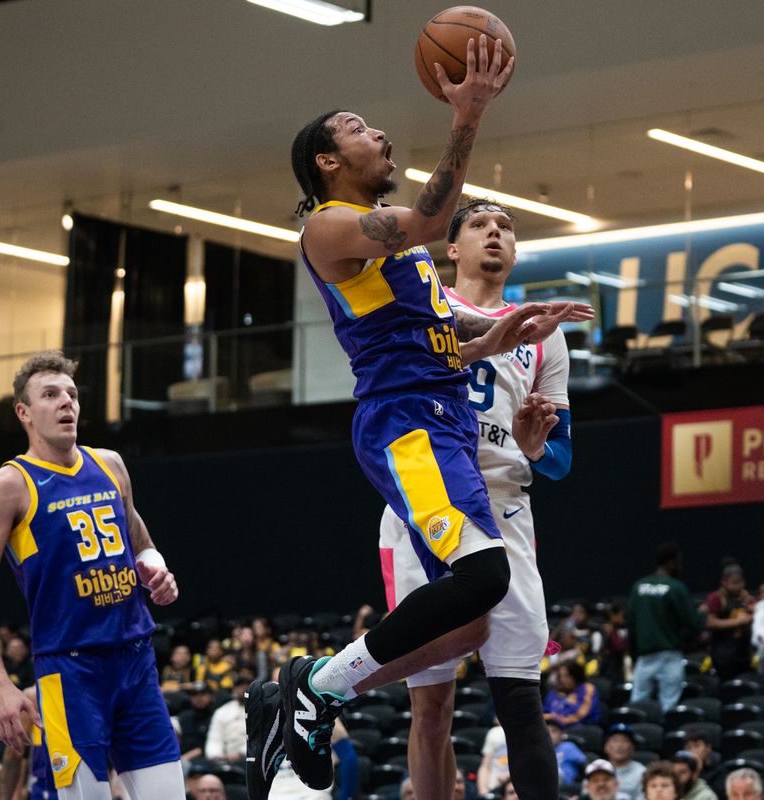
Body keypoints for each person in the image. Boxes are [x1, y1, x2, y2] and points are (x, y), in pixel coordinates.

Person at [248, 34, 589, 800]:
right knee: (484, 577)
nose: (381, 134)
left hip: (439, 416)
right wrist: (467, 113)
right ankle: (313, 690)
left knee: (468, 621)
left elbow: (443, 339)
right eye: (362, 129)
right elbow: (436, 213)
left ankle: (312, 690)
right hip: (405, 421)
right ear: (328, 162)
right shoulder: (330, 227)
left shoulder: (399, 261)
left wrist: (503, 335)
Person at [377, 198, 574, 800]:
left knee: (519, 695)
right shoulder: (423, 303)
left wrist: (536, 447)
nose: (496, 234)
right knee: (431, 703)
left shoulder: (545, 334)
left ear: (514, 253)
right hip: (427, 503)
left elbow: (563, 461)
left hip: (506, 504)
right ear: (452, 249)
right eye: (481, 226)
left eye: (507, 228)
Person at [0, 350, 184, 799]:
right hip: (69, 670)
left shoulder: (110, 464)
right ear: (23, 412)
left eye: (72, 394)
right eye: (50, 394)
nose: (67, 403)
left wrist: (157, 567)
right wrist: (0, 687)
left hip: (135, 660)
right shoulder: (10, 484)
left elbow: (139, 538)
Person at [627, 543, 706, 712]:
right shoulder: (676, 587)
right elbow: (693, 623)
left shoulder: (639, 586)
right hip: (669, 655)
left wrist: (634, 656)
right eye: (679, 562)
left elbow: (631, 625)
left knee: (637, 706)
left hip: (644, 657)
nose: (680, 566)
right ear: (670, 563)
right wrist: (703, 614)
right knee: (669, 706)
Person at [704, 563, 755, 681]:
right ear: (724, 582)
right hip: (724, 656)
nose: (739, 586)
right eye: (735, 583)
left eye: (741, 582)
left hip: (743, 653)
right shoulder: (716, 598)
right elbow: (710, 622)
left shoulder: (744, 596)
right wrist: (737, 622)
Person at [205, 675, 249, 764]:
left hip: (251, 757)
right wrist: (216, 755)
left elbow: (261, 739)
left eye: (246, 686)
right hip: (226, 759)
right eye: (239, 686)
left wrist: (241, 753)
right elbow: (215, 738)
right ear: (234, 689)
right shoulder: (222, 712)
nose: (243, 689)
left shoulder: (261, 710)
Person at [545, 663, 602, 728]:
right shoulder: (554, 692)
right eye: (560, 676)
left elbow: (581, 715)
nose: (562, 679)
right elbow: (545, 712)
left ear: (576, 675)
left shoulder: (588, 689)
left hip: (583, 726)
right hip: (554, 726)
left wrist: (557, 720)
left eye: (567, 676)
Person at [603, 725, 646, 799]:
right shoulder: (597, 770)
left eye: (624, 741)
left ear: (632, 747)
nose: (619, 745)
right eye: (615, 740)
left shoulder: (641, 772)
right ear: (606, 747)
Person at [548, 717, 587, 786]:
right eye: (546, 732)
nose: (549, 735)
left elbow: (584, 763)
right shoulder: (540, 750)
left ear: (562, 734)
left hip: (567, 787)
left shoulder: (568, 747)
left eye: (554, 731)